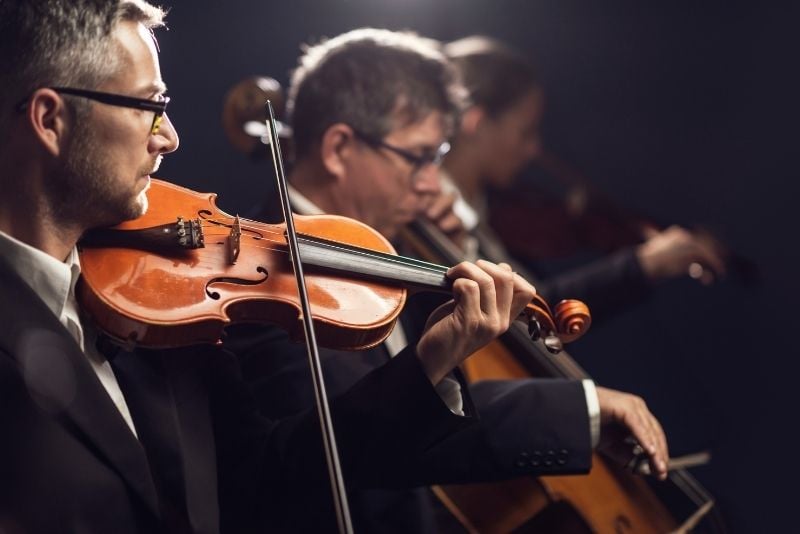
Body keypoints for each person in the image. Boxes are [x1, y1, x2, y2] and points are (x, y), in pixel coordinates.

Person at [0, 3, 570, 533]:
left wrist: (431, 359)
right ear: (51, 119)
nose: (169, 138)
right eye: (150, 109)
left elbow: (267, 484)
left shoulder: (154, 310)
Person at [233, 28, 669, 533]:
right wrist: (581, 409)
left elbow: (439, 403)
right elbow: (354, 446)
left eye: (438, 158)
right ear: (338, 148)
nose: (431, 183)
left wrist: (581, 412)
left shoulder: (393, 248)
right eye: (418, 158)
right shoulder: (264, 287)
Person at [426, 35, 727, 321]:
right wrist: (641, 265)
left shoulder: (482, 208)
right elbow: (528, 313)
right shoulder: (432, 211)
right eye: (526, 132)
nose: (534, 149)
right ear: (475, 122)